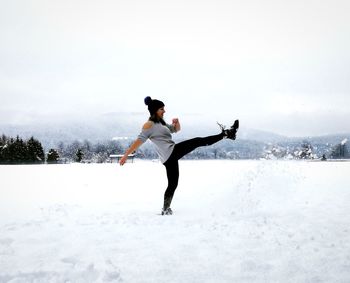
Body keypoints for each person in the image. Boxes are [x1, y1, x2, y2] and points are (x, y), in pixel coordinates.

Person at [119, 96, 239, 215]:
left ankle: (165, 209)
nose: (164, 111)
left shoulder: (160, 123)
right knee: (197, 141)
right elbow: (138, 141)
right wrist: (125, 156)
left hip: (169, 157)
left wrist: (176, 123)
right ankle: (227, 134)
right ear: (155, 110)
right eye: (161, 109)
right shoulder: (148, 125)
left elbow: (176, 130)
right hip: (171, 152)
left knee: (173, 184)